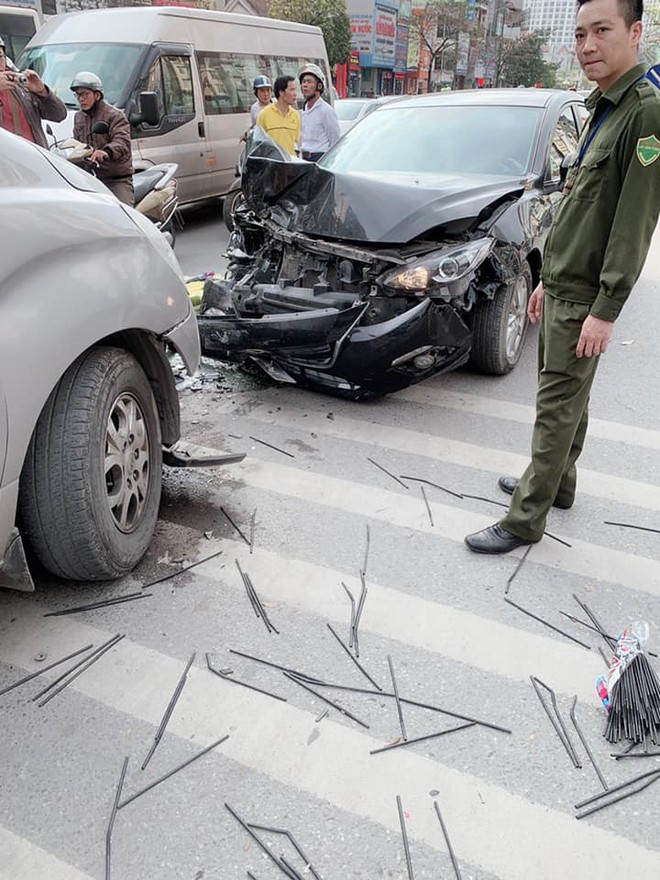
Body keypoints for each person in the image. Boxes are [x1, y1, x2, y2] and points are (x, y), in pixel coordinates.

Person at [465, 0, 660, 555]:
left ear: (636, 31)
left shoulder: (645, 112)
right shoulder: (605, 105)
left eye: (602, 31)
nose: (587, 45)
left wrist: (606, 306)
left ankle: (526, 517)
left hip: (587, 296)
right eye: (579, 34)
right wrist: (549, 277)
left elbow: (634, 220)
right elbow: (580, 206)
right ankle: (559, 484)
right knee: (569, 401)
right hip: (567, 283)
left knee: (555, 405)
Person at [71, 71, 134, 206]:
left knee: (124, 215)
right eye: (78, 95)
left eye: (85, 94)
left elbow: (122, 142)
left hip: (115, 179)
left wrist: (105, 152)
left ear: (97, 95)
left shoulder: (114, 115)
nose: (81, 99)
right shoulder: (78, 117)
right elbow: (77, 144)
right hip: (90, 178)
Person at [0, 36, 66, 146]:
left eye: (0, 56)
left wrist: (42, 91)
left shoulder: (19, 83)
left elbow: (59, 115)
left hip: (33, 158)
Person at [298, 63, 340, 161]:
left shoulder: (326, 111)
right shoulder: (302, 110)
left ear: (319, 86)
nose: (305, 85)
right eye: (303, 82)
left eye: (309, 82)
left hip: (319, 158)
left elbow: (335, 140)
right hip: (302, 159)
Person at [256, 74, 301, 157]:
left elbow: (296, 143)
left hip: (290, 165)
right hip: (272, 165)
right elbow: (258, 144)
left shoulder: (296, 115)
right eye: (291, 90)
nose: (295, 94)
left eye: (295, 90)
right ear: (281, 92)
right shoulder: (264, 114)